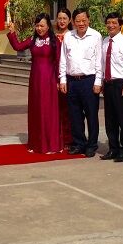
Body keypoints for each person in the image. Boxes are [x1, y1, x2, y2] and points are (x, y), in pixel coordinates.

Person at [7, 14, 62, 154]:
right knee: (36, 110)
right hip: (35, 80)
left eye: (42, 25)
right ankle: (36, 143)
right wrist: (12, 32)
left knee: (48, 111)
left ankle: (51, 144)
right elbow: (18, 46)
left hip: (50, 80)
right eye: (37, 25)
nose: (39, 28)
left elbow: (59, 61)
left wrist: (59, 80)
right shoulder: (33, 39)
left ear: (48, 26)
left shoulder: (54, 41)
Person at [58, 8, 102, 158]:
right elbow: (63, 59)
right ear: (73, 22)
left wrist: (98, 81)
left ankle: (92, 144)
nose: (81, 23)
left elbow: (99, 61)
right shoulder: (68, 36)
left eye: (84, 20)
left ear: (89, 20)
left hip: (89, 80)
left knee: (91, 114)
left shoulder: (95, 36)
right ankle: (79, 143)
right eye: (78, 21)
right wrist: (62, 79)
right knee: (75, 114)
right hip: (72, 81)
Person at [100, 12, 123, 163]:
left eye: (114, 23)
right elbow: (102, 64)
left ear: (120, 25)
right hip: (108, 83)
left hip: (121, 83)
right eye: (108, 22)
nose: (111, 25)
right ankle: (113, 148)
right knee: (110, 119)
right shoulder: (104, 41)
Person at [54, 8, 74, 150]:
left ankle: (69, 139)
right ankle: (56, 137)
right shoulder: (52, 37)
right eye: (59, 18)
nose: (62, 21)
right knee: (56, 109)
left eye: (64, 18)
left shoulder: (72, 36)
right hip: (53, 76)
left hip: (69, 77)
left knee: (68, 110)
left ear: (69, 20)